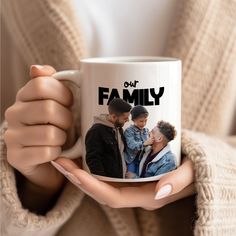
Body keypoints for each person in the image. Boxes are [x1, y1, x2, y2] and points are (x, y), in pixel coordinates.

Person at [1, 1, 236, 236]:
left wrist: (210, 167)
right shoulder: (114, 131)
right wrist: (36, 185)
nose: (136, 124)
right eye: (129, 119)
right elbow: (119, 150)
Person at [85, 98, 131, 178]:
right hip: (109, 183)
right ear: (114, 117)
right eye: (125, 118)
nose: (128, 120)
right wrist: (103, 182)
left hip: (121, 180)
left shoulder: (119, 129)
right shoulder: (96, 131)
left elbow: (121, 153)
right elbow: (93, 159)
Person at [124, 105, 153, 178]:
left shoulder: (146, 131)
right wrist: (144, 143)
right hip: (131, 160)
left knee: (140, 177)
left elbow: (149, 145)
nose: (143, 123)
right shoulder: (128, 131)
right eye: (141, 121)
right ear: (134, 120)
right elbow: (132, 145)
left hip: (142, 160)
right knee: (130, 177)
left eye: (145, 120)